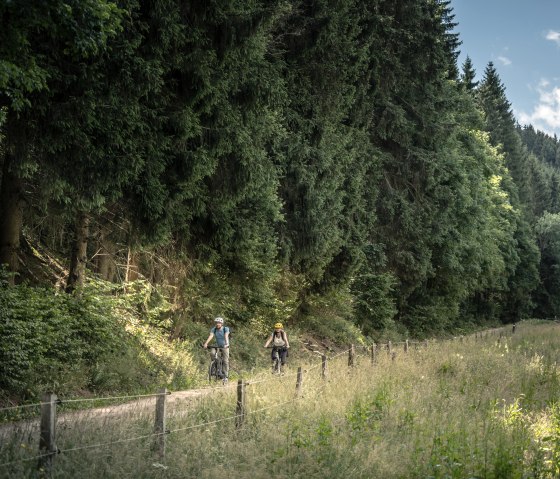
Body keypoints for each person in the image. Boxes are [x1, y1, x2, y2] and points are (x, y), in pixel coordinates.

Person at [203, 317, 230, 383]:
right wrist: (206, 343)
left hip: (225, 346)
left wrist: (227, 344)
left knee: (225, 361)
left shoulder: (225, 329)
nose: (217, 324)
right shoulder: (214, 329)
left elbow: (226, 336)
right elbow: (211, 336)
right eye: (216, 323)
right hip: (217, 345)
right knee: (212, 353)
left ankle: (225, 376)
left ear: (221, 323)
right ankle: (215, 366)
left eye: (219, 323)